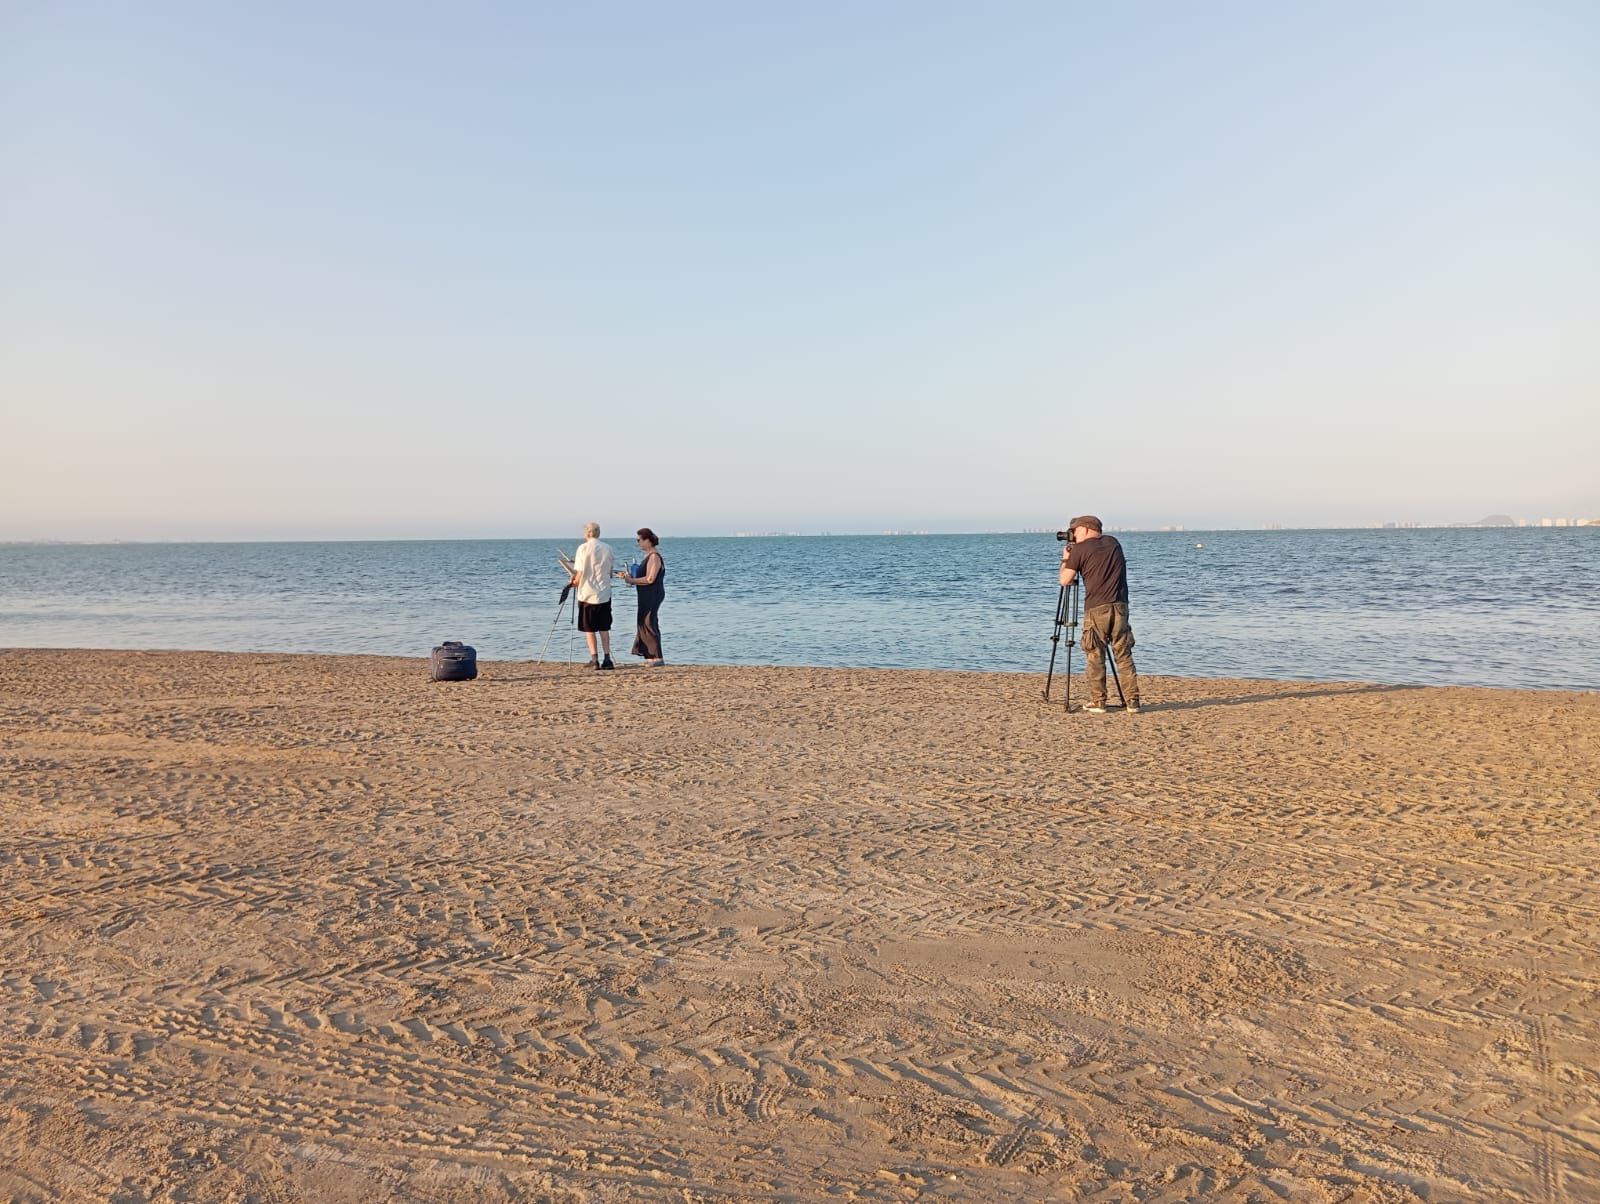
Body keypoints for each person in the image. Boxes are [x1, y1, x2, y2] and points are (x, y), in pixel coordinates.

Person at [1059, 514, 1141, 713]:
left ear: (1085, 529)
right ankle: (1132, 701)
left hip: (1096, 607)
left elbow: (1065, 580)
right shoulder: (1114, 543)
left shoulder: (1079, 549)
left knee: (1095, 653)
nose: (1073, 534)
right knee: (1123, 653)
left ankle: (1098, 700)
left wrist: (1066, 558)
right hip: (1120, 605)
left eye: (1075, 531)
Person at [569, 522, 615, 669]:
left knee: (589, 628)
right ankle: (607, 658)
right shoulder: (608, 548)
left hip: (587, 594)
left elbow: (580, 572)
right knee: (604, 627)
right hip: (604, 593)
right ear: (598, 533)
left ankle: (594, 658)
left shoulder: (582, 548)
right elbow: (610, 572)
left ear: (586, 533)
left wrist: (573, 582)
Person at [618, 527, 666, 667]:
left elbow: (650, 578)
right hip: (646, 594)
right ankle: (651, 656)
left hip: (652, 594)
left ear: (647, 540)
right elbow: (643, 576)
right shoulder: (649, 556)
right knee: (645, 622)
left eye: (639, 540)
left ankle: (657, 657)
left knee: (648, 622)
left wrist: (632, 580)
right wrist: (628, 577)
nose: (638, 543)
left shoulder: (654, 556)